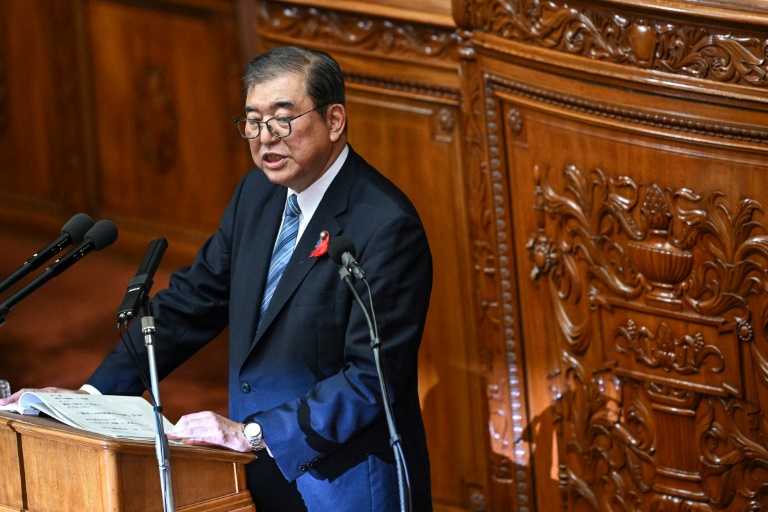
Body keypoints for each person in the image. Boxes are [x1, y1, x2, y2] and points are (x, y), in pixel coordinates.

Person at [0, 46, 433, 511]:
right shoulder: (258, 195)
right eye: (252, 121)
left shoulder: (387, 226)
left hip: (342, 484)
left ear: (334, 120)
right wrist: (87, 399)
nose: (265, 138)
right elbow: (192, 302)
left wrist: (253, 433)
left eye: (282, 119)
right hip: (249, 474)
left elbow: (371, 379)